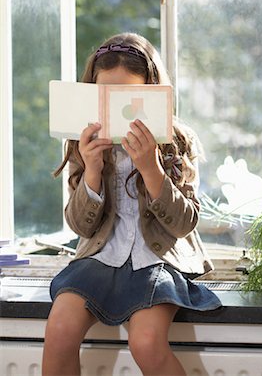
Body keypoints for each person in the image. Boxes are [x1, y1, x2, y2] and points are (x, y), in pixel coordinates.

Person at [42, 32, 221, 376]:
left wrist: (151, 169)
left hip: (157, 258)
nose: (114, 109)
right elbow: (80, 227)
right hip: (101, 256)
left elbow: (185, 224)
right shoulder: (83, 140)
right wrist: (92, 169)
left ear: (150, 93)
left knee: (147, 342)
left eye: (127, 96)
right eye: (104, 95)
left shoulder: (176, 141)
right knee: (59, 332)